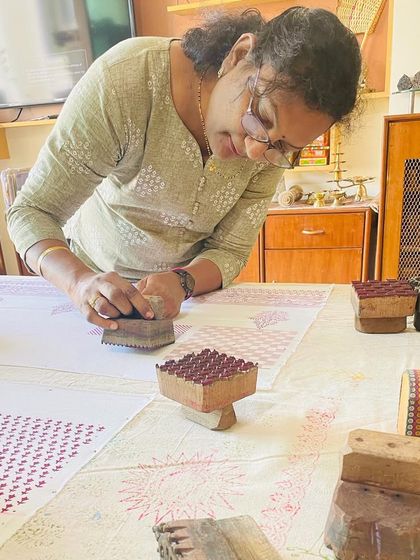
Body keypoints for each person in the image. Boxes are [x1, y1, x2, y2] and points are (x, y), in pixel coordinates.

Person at [7, 7, 361, 330]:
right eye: (262, 117)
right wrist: (79, 281)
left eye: (284, 146)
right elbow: (31, 212)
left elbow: (229, 251)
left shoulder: (267, 151)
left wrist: (182, 281)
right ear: (239, 56)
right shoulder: (125, 82)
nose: (256, 150)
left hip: (185, 308)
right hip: (92, 299)